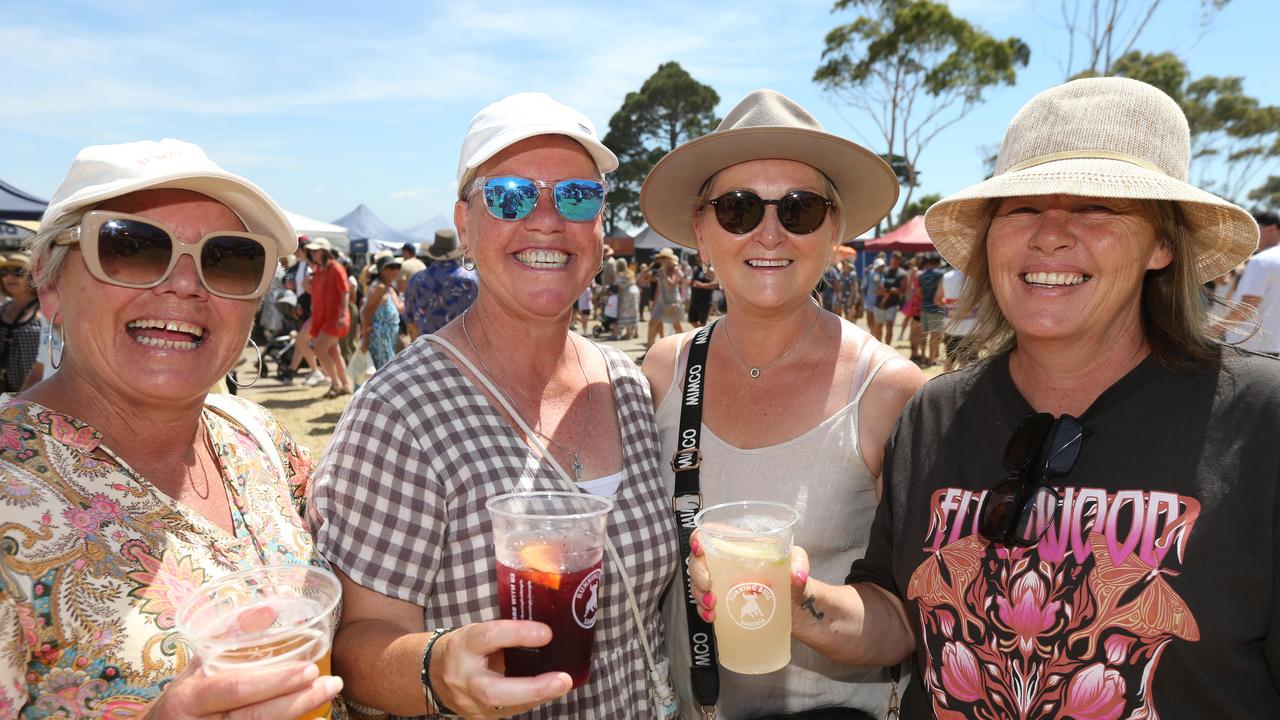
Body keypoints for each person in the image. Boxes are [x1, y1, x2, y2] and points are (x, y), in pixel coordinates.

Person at [694, 76, 1280, 718]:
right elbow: (895, 613)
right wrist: (795, 598)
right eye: (1022, 208)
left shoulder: (1259, 422)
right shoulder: (936, 414)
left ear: (1163, 245)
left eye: (1097, 208)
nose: (1051, 234)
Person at [309, 92, 677, 719]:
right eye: (510, 195)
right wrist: (438, 670)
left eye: (577, 196)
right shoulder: (401, 410)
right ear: (464, 222)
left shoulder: (626, 386)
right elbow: (356, 642)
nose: (546, 220)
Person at [0, 139, 341, 717]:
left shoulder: (255, 434)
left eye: (229, 259)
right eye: (131, 248)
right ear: (51, 284)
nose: (185, 284)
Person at [639, 88, 924, 719]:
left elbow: (910, 620)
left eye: (800, 210)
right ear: (702, 234)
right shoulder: (664, 371)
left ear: (836, 232)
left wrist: (797, 605)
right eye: (738, 209)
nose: (769, 232)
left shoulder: (887, 392)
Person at [404, 227, 478, 338]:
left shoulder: (416, 279)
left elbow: (409, 319)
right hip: (461, 348)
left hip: (427, 346)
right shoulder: (472, 279)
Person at [1223, 211, 1280, 354]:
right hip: (1273, 351)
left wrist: (1213, 330)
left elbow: (1247, 307)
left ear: (1272, 228)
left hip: (1245, 347)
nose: (1251, 236)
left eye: (1256, 229)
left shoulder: (1262, 261)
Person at [304, 237, 353, 398]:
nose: (315, 254)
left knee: (319, 349)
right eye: (313, 251)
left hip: (335, 318)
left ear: (325, 252)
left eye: (317, 251)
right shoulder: (318, 270)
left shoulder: (336, 268)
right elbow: (315, 292)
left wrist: (342, 314)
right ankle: (345, 385)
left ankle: (335, 383)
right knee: (334, 353)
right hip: (323, 318)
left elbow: (345, 292)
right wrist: (306, 285)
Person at [0, 253, 42, 392]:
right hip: (5, 392)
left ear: (32, 276)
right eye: (4, 272)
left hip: (36, 393)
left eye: (18, 272)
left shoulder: (44, 310)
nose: (9, 277)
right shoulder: (3, 308)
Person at [360, 254, 404, 370]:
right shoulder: (379, 287)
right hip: (380, 338)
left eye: (396, 267)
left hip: (389, 336)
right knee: (384, 372)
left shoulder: (388, 287)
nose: (394, 270)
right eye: (390, 267)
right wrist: (365, 339)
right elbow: (366, 312)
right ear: (381, 271)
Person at [646, 247, 685, 348]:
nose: (661, 260)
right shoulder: (660, 270)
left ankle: (685, 347)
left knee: (676, 326)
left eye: (664, 258)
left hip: (673, 301)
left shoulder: (675, 269)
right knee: (652, 323)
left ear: (669, 259)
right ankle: (648, 350)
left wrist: (665, 274)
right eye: (660, 258)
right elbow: (658, 288)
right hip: (661, 301)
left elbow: (672, 284)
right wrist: (654, 303)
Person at [916, 254, 946, 365]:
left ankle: (923, 357)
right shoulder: (941, 275)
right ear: (938, 262)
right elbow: (943, 291)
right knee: (935, 336)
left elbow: (919, 292)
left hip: (924, 306)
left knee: (924, 334)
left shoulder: (921, 275)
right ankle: (931, 359)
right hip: (937, 308)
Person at [875, 251, 907, 346]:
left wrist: (888, 290)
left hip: (893, 304)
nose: (893, 262)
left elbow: (902, 290)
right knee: (879, 327)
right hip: (881, 303)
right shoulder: (884, 271)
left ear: (899, 262)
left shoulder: (902, 274)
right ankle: (878, 347)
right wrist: (890, 290)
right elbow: (878, 287)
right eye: (892, 260)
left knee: (889, 325)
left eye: (895, 261)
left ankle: (887, 346)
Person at [615, 259, 640, 340]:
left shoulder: (620, 274)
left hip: (627, 294)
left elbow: (620, 286)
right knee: (635, 312)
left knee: (627, 313)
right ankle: (636, 332)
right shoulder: (630, 272)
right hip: (635, 291)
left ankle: (629, 333)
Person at [863, 255, 885, 341]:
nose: (883, 268)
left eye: (883, 266)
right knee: (869, 322)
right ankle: (874, 336)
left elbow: (881, 288)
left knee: (875, 323)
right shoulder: (873, 273)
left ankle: (874, 339)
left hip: (877, 303)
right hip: (870, 301)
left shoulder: (881, 275)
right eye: (881, 266)